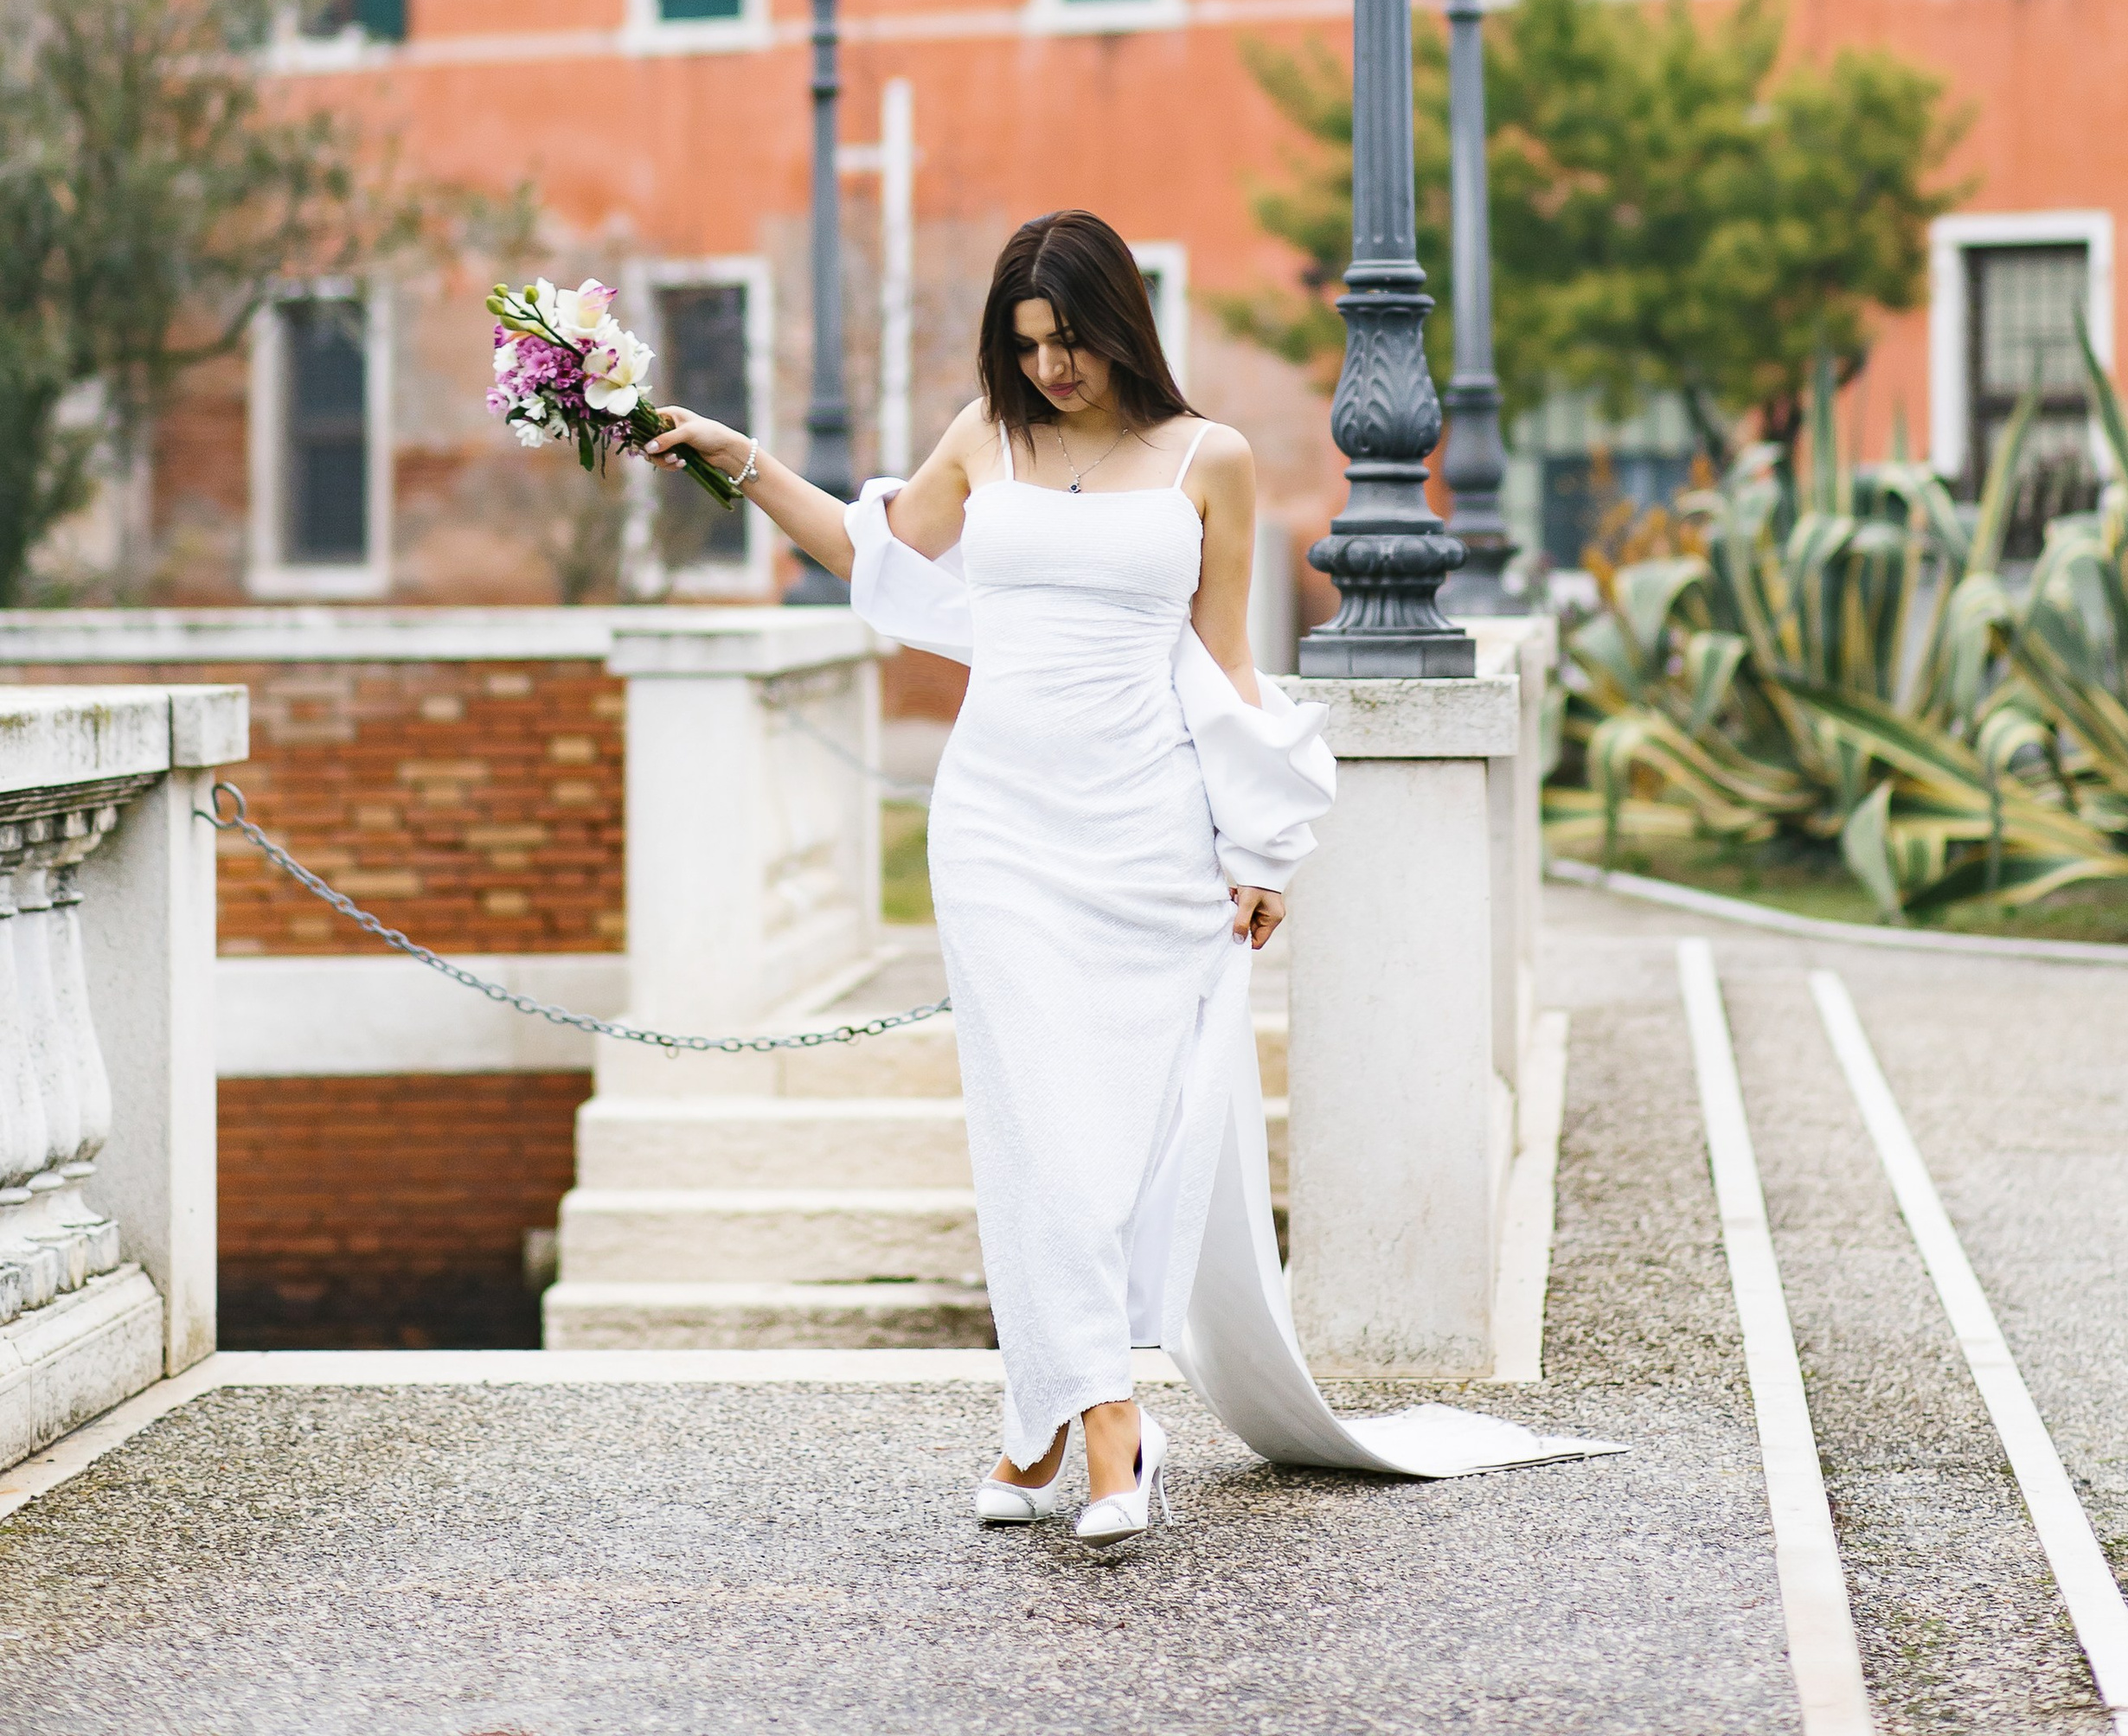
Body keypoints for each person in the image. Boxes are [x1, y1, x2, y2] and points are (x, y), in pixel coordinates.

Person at [649, 207, 1608, 1545]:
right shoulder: (985, 438)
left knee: (1109, 1141)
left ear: (1122, 327)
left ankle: (1037, 1426)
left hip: (1148, 834)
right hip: (996, 831)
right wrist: (737, 459)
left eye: (1071, 341)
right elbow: (874, 557)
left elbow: (1224, 661)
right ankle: (1111, 1431)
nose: (1049, 369)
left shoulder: (1207, 460)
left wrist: (1263, 842)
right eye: (1027, 345)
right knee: (1032, 1126)